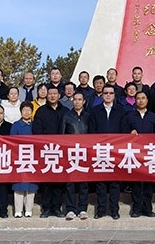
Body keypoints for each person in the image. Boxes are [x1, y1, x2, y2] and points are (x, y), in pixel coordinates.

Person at [89, 84, 127, 219]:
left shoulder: (121, 110)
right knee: (101, 183)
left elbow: (124, 130)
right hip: (100, 151)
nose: (108, 95)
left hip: (116, 151)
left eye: (111, 93)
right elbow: (92, 131)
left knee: (115, 183)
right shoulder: (95, 110)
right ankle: (101, 210)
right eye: (106, 93)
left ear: (114, 95)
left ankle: (114, 210)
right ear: (102, 95)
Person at [32, 85, 65, 218]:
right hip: (45, 150)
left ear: (59, 96)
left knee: (58, 180)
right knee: (46, 180)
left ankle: (56, 207)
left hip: (61, 151)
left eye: (54, 93)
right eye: (50, 93)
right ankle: (46, 208)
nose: (52, 96)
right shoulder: (41, 111)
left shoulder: (65, 111)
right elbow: (37, 130)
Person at [125, 90, 155, 217]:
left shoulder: (153, 117)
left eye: (143, 98)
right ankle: (136, 209)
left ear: (147, 100)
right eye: (138, 98)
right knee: (136, 182)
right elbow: (123, 133)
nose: (141, 100)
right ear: (135, 101)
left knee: (149, 182)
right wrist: (129, 133)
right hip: (135, 153)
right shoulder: (129, 116)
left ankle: (147, 208)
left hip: (150, 153)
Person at [62, 92, 90, 220]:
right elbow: (62, 135)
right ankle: (70, 209)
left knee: (84, 183)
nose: (77, 102)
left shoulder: (88, 116)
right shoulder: (67, 116)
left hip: (85, 153)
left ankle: (83, 208)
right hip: (70, 153)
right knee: (70, 183)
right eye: (75, 99)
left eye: (80, 99)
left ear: (84, 102)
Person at [10, 101, 36, 217]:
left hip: (32, 157)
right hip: (19, 157)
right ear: (21, 112)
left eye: (29, 110)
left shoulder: (35, 125)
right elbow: (11, 141)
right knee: (19, 185)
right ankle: (18, 210)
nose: (26, 112)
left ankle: (29, 209)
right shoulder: (16, 125)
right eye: (24, 110)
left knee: (31, 185)